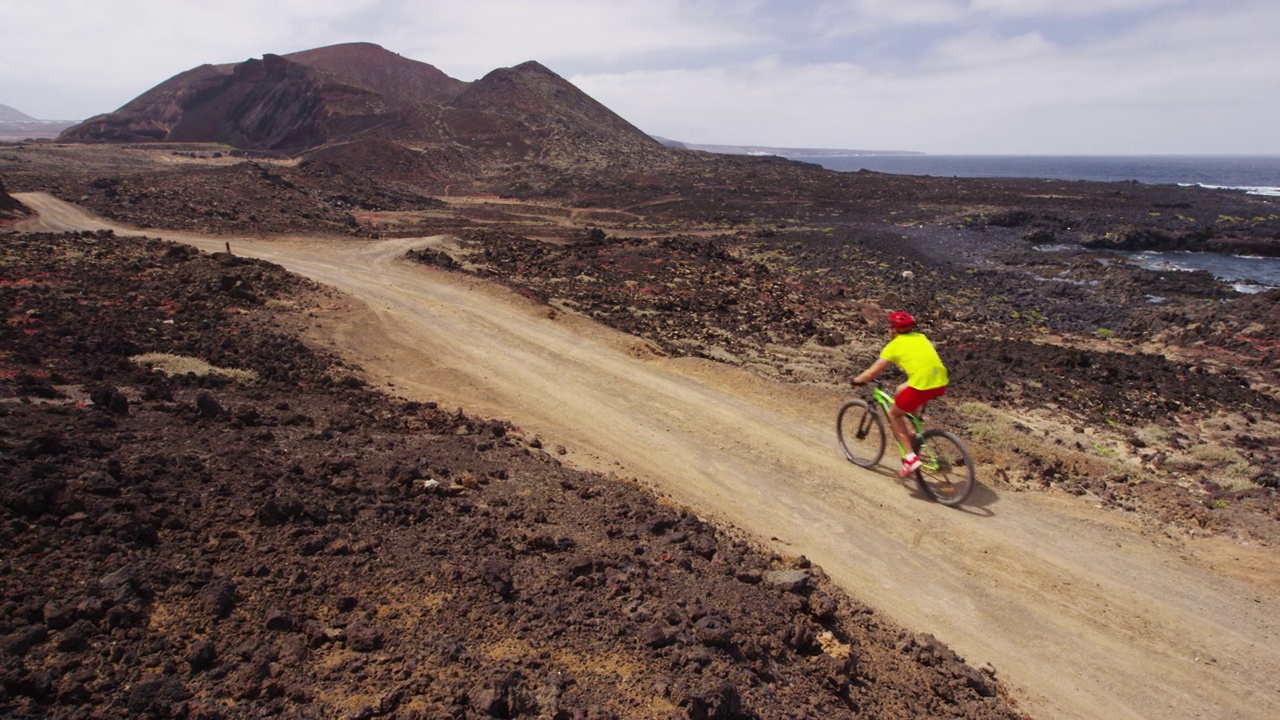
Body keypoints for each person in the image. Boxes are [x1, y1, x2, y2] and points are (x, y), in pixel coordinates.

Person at [852, 311, 949, 477]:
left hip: (921, 386)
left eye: (890, 327)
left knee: (894, 415)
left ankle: (911, 458)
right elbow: (917, 358)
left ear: (893, 330)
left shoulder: (893, 346)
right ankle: (915, 432)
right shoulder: (920, 337)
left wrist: (857, 380)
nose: (889, 329)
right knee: (900, 390)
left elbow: (871, 373)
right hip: (940, 382)